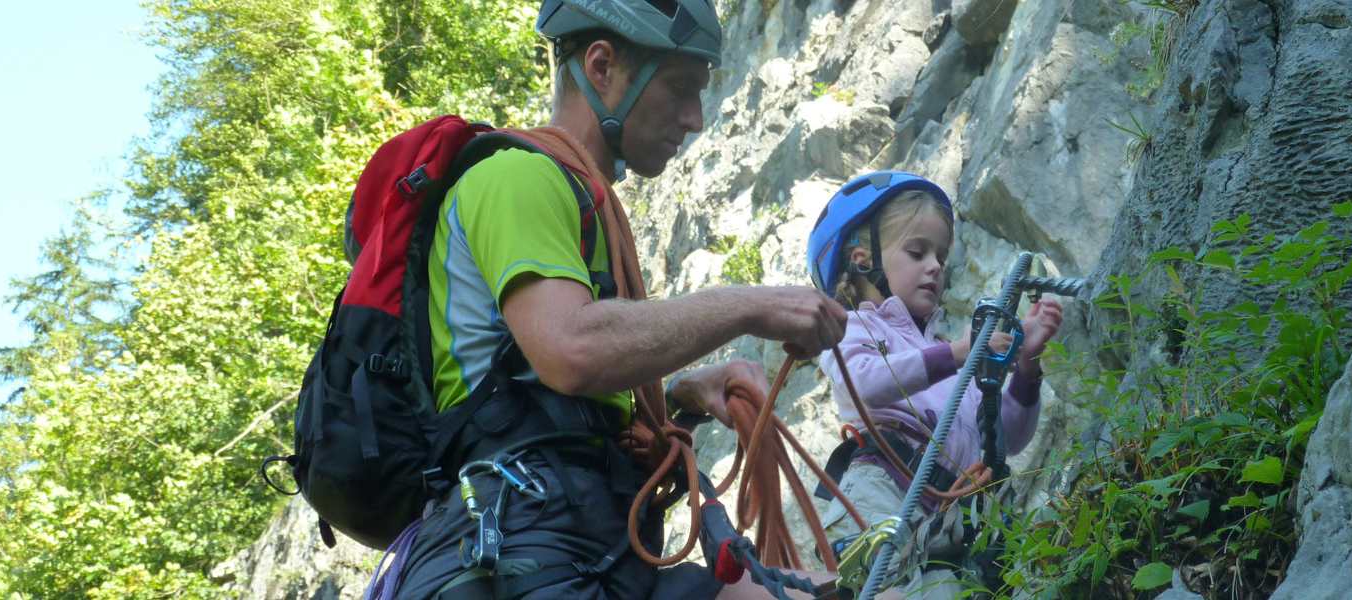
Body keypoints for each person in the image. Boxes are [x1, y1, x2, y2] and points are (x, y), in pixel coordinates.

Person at [390, 1, 850, 598]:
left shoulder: (582, 203)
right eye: (680, 88)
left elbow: (550, 390)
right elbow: (571, 350)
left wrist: (680, 397)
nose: (695, 118)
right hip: (524, 553)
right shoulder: (515, 177)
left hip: (573, 547)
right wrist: (751, 306)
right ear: (601, 67)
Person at [805, 172, 1064, 594]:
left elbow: (1007, 438)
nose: (934, 267)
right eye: (917, 252)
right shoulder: (851, 328)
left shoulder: (946, 355)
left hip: (949, 513)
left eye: (941, 257)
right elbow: (864, 383)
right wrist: (958, 354)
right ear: (862, 260)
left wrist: (1027, 367)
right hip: (883, 489)